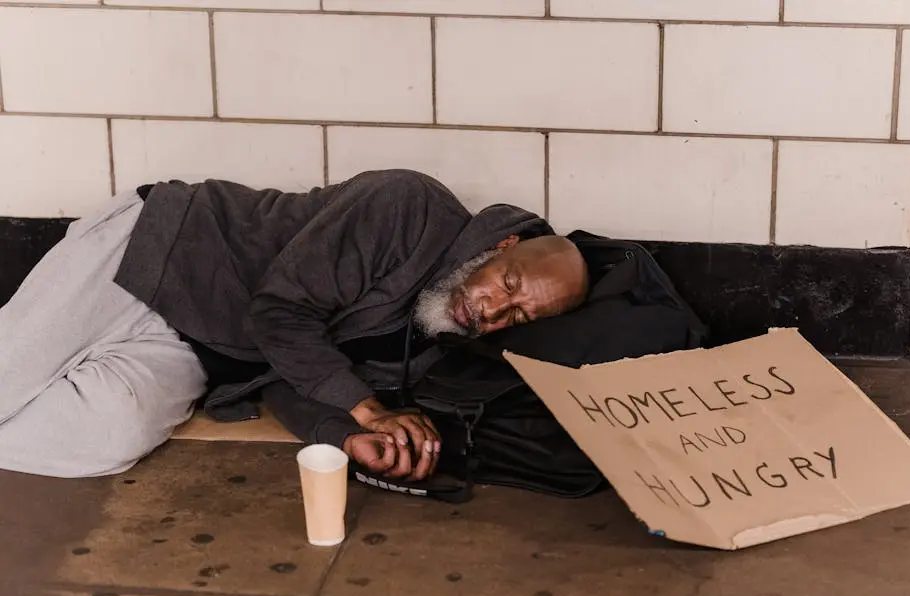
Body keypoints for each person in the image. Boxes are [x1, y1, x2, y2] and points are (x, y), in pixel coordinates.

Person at [0, 169, 589, 482]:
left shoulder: (435, 340)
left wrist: (345, 437)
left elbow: (292, 376)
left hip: (203, 349)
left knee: (104, 442)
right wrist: (368, 409)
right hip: (156, 254)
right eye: (507, 285)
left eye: (517, 315)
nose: (492, 311)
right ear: (503, 246)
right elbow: (279, 313)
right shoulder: (409, 205)